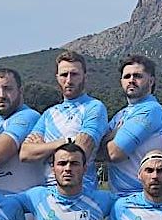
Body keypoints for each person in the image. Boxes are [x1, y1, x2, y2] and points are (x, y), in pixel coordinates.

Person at [21, 50, 109, 185]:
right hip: (49, 192)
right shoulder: (49, 113)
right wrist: (64, 142)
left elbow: (80, 153)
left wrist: (44, 150)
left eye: (74, 74)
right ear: (57, 77)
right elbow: (25, 154)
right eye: (64, 75)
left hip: (82, 191)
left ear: (85, 76)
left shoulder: (94, 107)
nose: (68, 80)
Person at [100, 55, 162, 196]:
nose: (131, 80)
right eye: (127, 76)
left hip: (140, 197)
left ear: (151, 81)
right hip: (117, 197)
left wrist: (111, 136)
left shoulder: (151, 110)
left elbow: (114, 153)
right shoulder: (120, 114)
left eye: (137, 76)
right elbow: (94, 150)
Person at [0, 67, 45, 194]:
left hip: (22, 204)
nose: (2, 95)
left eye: (8, 89)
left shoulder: (29, 116)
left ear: (20, 91)